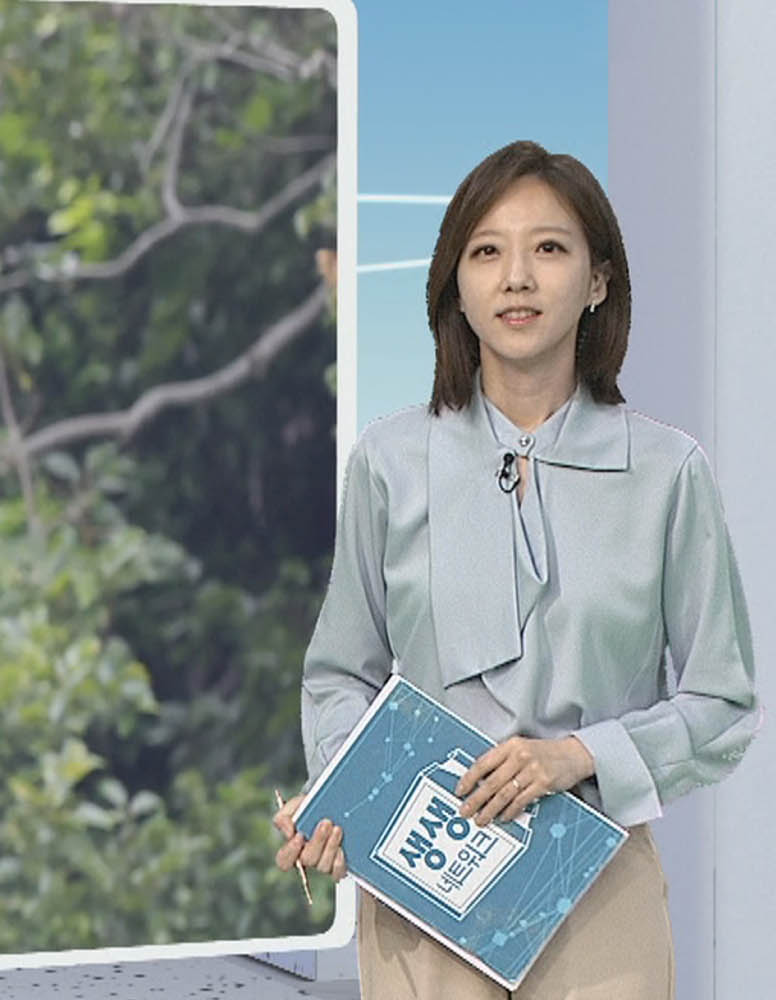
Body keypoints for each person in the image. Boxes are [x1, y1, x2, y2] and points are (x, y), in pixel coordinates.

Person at [270, 140, 760, 997]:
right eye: (487, 251)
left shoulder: (668, 472)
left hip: (598, 886)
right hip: (427, 889)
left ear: (598, 281)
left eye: (550, 249)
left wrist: (579, 755)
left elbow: (723, 704)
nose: (517, 278)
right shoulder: (388, 462)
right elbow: (341, 674)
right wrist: (343, 794)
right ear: (455, 287)